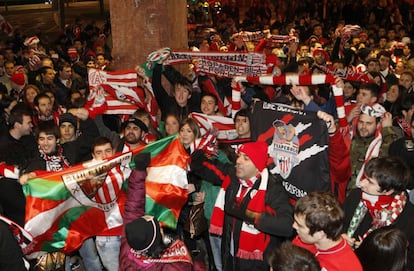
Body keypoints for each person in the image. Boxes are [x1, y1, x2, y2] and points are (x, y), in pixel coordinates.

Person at [190, 141, 293, 271]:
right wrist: (203, 148)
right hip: (230, 257)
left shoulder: (272, 189)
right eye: (239, 156)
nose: (238, 161)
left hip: (257, 264)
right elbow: (199, 166)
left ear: (257, 165)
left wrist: (248, 214)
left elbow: (287, 226)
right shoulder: (232, 176)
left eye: (246, 158)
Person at [119, 153, 193, 271]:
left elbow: (133, 208)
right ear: (156, 240)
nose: (161, 226)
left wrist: (139, 171)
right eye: (159, 228)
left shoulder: (129, 248)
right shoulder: (174, 266)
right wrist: (199, 265)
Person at [343, 156, 414, 270]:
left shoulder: (409, 219)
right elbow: (340, 224)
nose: (362, 183)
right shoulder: (356, 196)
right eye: (365, 177)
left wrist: (373, 253)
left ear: (389, 191)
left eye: (370, 182)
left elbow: (407, 263)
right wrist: (340, 237)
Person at [292, 192, 363, 271]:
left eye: (300, 225)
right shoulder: (302, 240)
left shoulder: (349, 267)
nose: (294, 226)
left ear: (320, 234)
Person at [0, 104, 37, 226]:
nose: (32, 125)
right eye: (28, 123)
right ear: (17, 125)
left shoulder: (30, 139)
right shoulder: (2, 145)